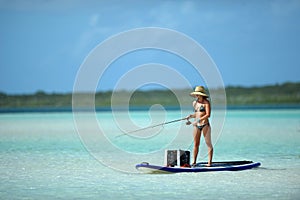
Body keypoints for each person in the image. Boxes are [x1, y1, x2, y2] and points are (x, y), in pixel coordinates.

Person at [186, 86, 213, 167]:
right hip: (196, 125)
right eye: (196, 95)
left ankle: (209, 163)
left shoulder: (206, 103)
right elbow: (197, 114)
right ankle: (194, 162)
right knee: (196, 144)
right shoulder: (195, 103)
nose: (196, 96)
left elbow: (208, 115)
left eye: (198, 94)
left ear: (202, 95)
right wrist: (191, 116)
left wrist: (198, 120)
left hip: (205, 125)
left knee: (208, 143)